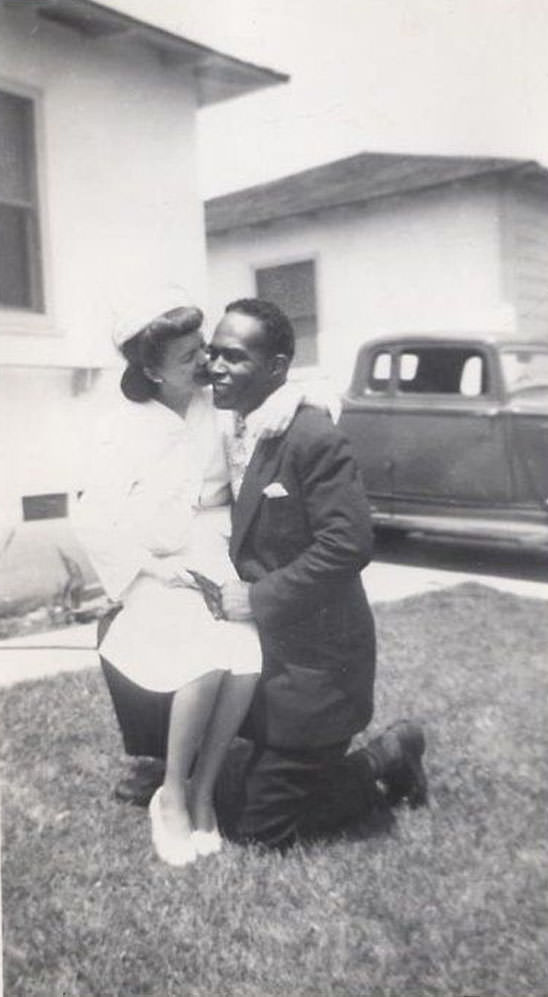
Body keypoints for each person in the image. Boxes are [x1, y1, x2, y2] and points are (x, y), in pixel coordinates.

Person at [207, 298, 428, 850]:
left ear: (278, 368)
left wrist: (257, 599)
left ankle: (388, 754)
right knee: (230, 796)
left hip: (318, 672)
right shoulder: (233, 425)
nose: (215, 367)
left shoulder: (312, 437)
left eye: (233, 357)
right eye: (211, 354)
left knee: (259, 833)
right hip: (264, 664)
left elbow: (348, 545)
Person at [74, 302, 263, 866]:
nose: (205, 360)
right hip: (153, 566)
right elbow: (91, 518)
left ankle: (205, 788)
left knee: (246, 653)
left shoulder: (217, 404)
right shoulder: (121, 426)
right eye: (189, 356)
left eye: (203, 346)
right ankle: (173, 793)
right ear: (153, 370)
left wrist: (307, 398)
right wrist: (154, 570)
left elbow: (298, 393)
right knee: (202, 653)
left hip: (212, 552)